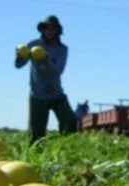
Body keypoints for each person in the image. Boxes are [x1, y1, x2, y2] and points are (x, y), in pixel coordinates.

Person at [15, 15, 76, 143]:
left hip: (56, 94)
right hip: (37, 95)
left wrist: (46, 62)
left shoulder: (62, 49)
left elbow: (58, 72)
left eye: (53, 29)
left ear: (57, 31)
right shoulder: (33, 44)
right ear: (43, 29)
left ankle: (66, 146)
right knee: (36, 135)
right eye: (48, 28)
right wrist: (19, 57)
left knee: (70, 121)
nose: (50, 31)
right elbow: (18, 65)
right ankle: (37, 155)